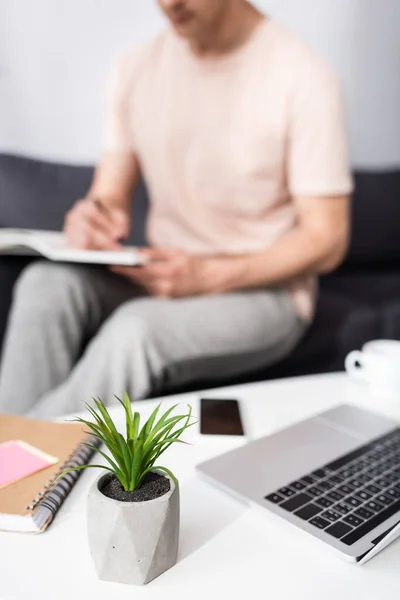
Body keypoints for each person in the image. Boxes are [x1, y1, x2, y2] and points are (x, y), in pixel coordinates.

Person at [0, 0, 353, 418]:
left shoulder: (303, 76)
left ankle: (23, 471)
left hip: (262, 292)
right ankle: (16, 460)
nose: (169, 3)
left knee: (136, 331)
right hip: (162, 272)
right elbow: (110, 190)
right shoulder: (137, 65)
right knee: (45, 283)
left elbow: (327, 239)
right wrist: (96, 214)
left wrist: (206, 275)